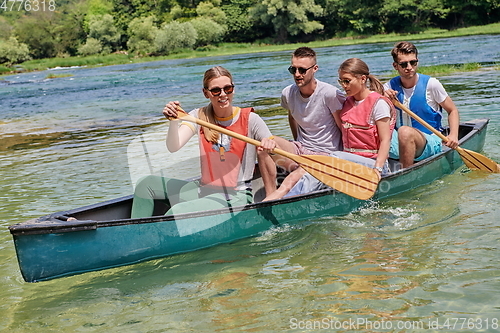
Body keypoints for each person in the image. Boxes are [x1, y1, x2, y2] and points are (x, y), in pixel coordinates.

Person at [130, 66, 276, 218]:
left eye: (228, 88)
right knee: (145, 184)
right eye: (216, 90)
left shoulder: (251, 120)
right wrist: (173, 122)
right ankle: (132, 233)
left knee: (176, 212)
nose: (223, 94)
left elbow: (273, 154)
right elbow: (174, 146)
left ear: (233, 88)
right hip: (203, 191)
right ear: (206, 93)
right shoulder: (197, 116)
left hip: (235, 196)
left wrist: (269, 146)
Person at [259, 46, 345, 200]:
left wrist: (345, 162)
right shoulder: (288, 93)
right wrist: (296, 144)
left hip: (325, 157)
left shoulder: (330, 94)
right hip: (300, 150)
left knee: (290, 181)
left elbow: (343, 127)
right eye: (293, 70)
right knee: (264, 145)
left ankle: (275, 198)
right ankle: (269, 196)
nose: (297, 74)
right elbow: (292, 118)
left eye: (302, 70)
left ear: (315, 69)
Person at [384, 41, 460, 168]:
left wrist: (453, 135)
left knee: (405, 132)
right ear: (395, 66)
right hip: (399, 142)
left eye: (413, 62)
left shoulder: (432, 84)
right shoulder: (388, 87)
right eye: (403, 64)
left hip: (430, 141)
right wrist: (382, 98)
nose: (409, 67)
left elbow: (452, 110)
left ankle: (405, 175)